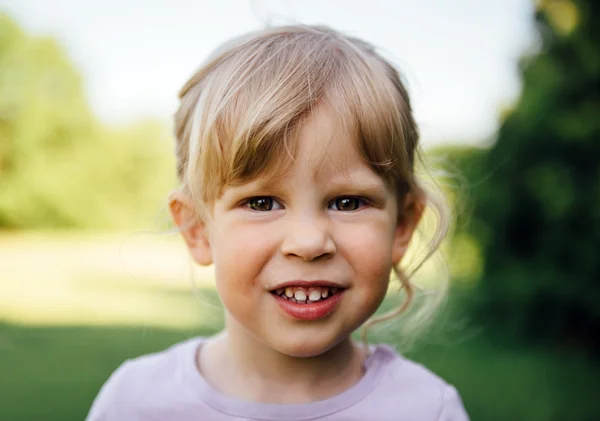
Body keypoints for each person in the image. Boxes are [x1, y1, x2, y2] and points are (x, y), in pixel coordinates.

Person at [86, 24, 470, 420]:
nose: (307, 242)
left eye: (348, 202)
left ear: (402, 226)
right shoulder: (135, 404)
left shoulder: (427, 410)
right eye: (262, 202)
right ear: (197, 229)